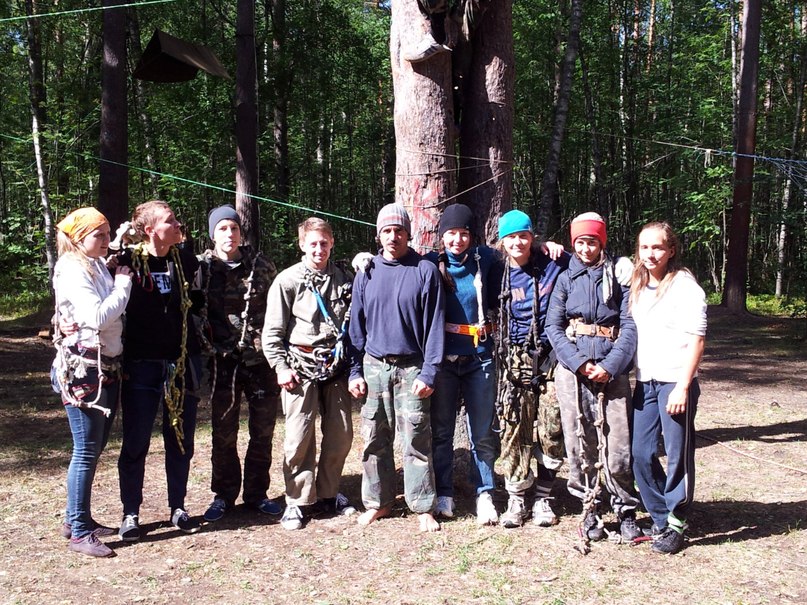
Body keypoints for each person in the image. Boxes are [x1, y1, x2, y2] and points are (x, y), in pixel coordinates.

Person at [348, 203, 445, 532]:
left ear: (409, 234)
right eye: (387, 231)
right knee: (374, 437)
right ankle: (379, 503)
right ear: (379, 235)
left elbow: (434, 325)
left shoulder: (423, 270)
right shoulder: (367, 271)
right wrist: (354, 371)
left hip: (413, 368)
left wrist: (430, 371)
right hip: (374, 366)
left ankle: (422, 506)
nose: (393, 237)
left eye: (399, 231)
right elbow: (355, 328)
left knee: (416, 438)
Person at [546, 212, 641, 544]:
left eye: (593, 241)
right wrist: (578, 363)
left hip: (611, 370)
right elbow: (552, 327)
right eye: (581, 242)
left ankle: (626, 509)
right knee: (578, 440)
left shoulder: (619, 276)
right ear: (574, 243)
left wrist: (612, 365)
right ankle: (589, 509)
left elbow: (630, 325)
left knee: (618, 443)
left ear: (602, 241)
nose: (586, 248)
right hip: (573, 372)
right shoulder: (565, 278)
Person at [115, 200, 203, 541]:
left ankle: (178, 506)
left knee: (180, 438)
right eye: (170, 221)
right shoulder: (129, 262)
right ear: (151, 229)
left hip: (180, 363)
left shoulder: (185, 259)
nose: (178, 225)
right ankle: (130, 512)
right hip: (141, 365)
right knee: (136, 441)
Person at [262, 217, 357, 531]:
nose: (319, 249)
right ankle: (298, 500)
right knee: (299, 437)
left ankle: (328, 494)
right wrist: (281, 367)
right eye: (313, 243)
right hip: (299, 368)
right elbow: (272, 332)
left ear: (332, 243)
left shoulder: (345, 276)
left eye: (324, 242)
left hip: (336, 366)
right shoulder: (288, 281)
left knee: (341, 435)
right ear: (302, 244)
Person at [51, 208, 132, 557]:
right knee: (85, 451)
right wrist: (124, 284)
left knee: (94, 448)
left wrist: (118, 244)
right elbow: (97, 315)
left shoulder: (93, 261)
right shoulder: (72, 269)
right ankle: (80, 531)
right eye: (99, 235)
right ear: (79, 238)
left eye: (107, 233)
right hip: (83, 369)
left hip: (105, 365)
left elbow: (108, 252)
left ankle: (76, 518)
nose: (105, 240)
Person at [197, 205, 281, 523]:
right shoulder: (202, 269)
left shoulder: (261, 265)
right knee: (223, 431)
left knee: (263, 431)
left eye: (233, 228)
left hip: (260, 362)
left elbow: (279, 307)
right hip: (223, 363)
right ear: (213, 234)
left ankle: (257, 494)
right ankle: (224, 495)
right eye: (222, 229)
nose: (229, 234)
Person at [629, 222, 707, 554]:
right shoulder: (635, 283)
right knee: (640, 454)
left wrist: (683, 387)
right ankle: (660, 516)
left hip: (676, 383)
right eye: (644, 247)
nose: (650, 253)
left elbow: (697, 341)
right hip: (645, 381)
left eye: (658, 247)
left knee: (677, 455)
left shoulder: (686, 287)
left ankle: (676, 522)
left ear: (671, 250)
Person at [425, 204, 502, 525]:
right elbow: (395, 262)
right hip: (443, 361)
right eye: (451, 233)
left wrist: (550, 248)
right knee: (441, 431)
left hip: (479, 357)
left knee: (482, 431)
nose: (457, 240)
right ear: (442, 236)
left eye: (463, 233)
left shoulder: (487, 261)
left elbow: (522, 250)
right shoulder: (429, 263)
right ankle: (444, 491)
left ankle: (484, 492)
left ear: (472, 236)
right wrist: (365, 262)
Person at [494, 209, 569, 528]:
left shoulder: (553, 264)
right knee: (515, 429)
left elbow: (590, 261)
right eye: (511, 236)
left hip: (553, 358)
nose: (518, 242)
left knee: (552, 427)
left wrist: (554, 247)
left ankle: (544, 496)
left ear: (532, 237)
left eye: (523, 235)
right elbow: (452, 259)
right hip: (515, 360)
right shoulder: (495, 270)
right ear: (501, 241)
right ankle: (516, 498)